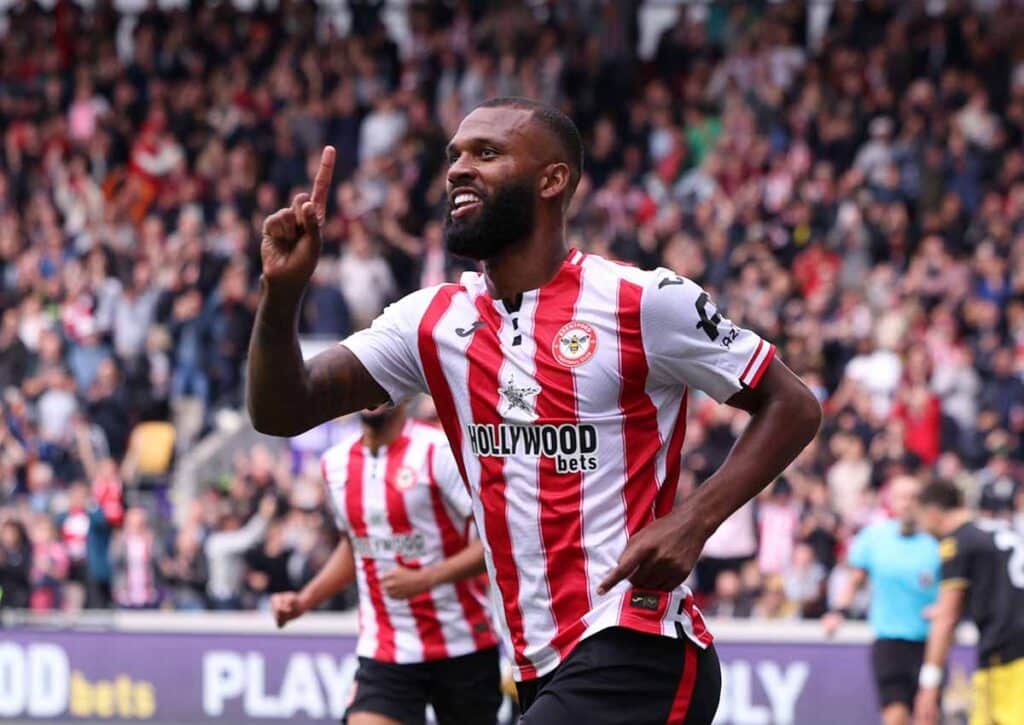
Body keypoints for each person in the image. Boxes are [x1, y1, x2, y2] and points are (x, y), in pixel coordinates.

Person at [248, 98, 821, 724]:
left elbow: (791, 404)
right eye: (454, 157)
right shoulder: (431, 322)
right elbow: (284, 408)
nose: (458, 170)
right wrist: (282, 295)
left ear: (554, 180)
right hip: (535, 663)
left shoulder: (642, 302)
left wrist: (694, 521)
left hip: (638, 645)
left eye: (486, 154)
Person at [270, 403, 500, 725]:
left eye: (383, 386)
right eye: (364, 386)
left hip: (462, 640)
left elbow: (496, 541)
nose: (373, 395)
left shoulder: (440, 451)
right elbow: (354, 547)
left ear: (403, 392)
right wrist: (304, 600)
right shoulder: (335, 464)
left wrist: (426, 579)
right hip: (386, 648)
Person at [823, 475, 940, 725]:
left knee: (927, 716)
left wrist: (943, 608)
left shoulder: (937, 540)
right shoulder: (874, 538)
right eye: (902, 497)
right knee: (894, 715)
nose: (907, 503)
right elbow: (855, 580)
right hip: (890, 641)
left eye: (913, 498)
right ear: (891, 501)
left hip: (930, 643)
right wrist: (838, 612)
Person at [914, 480, 1024, 725]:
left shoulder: (956, 542)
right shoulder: (997, 528)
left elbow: (947, 617)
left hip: (1009, 658)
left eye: (921, 520)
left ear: (932, 514)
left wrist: (929, 685)